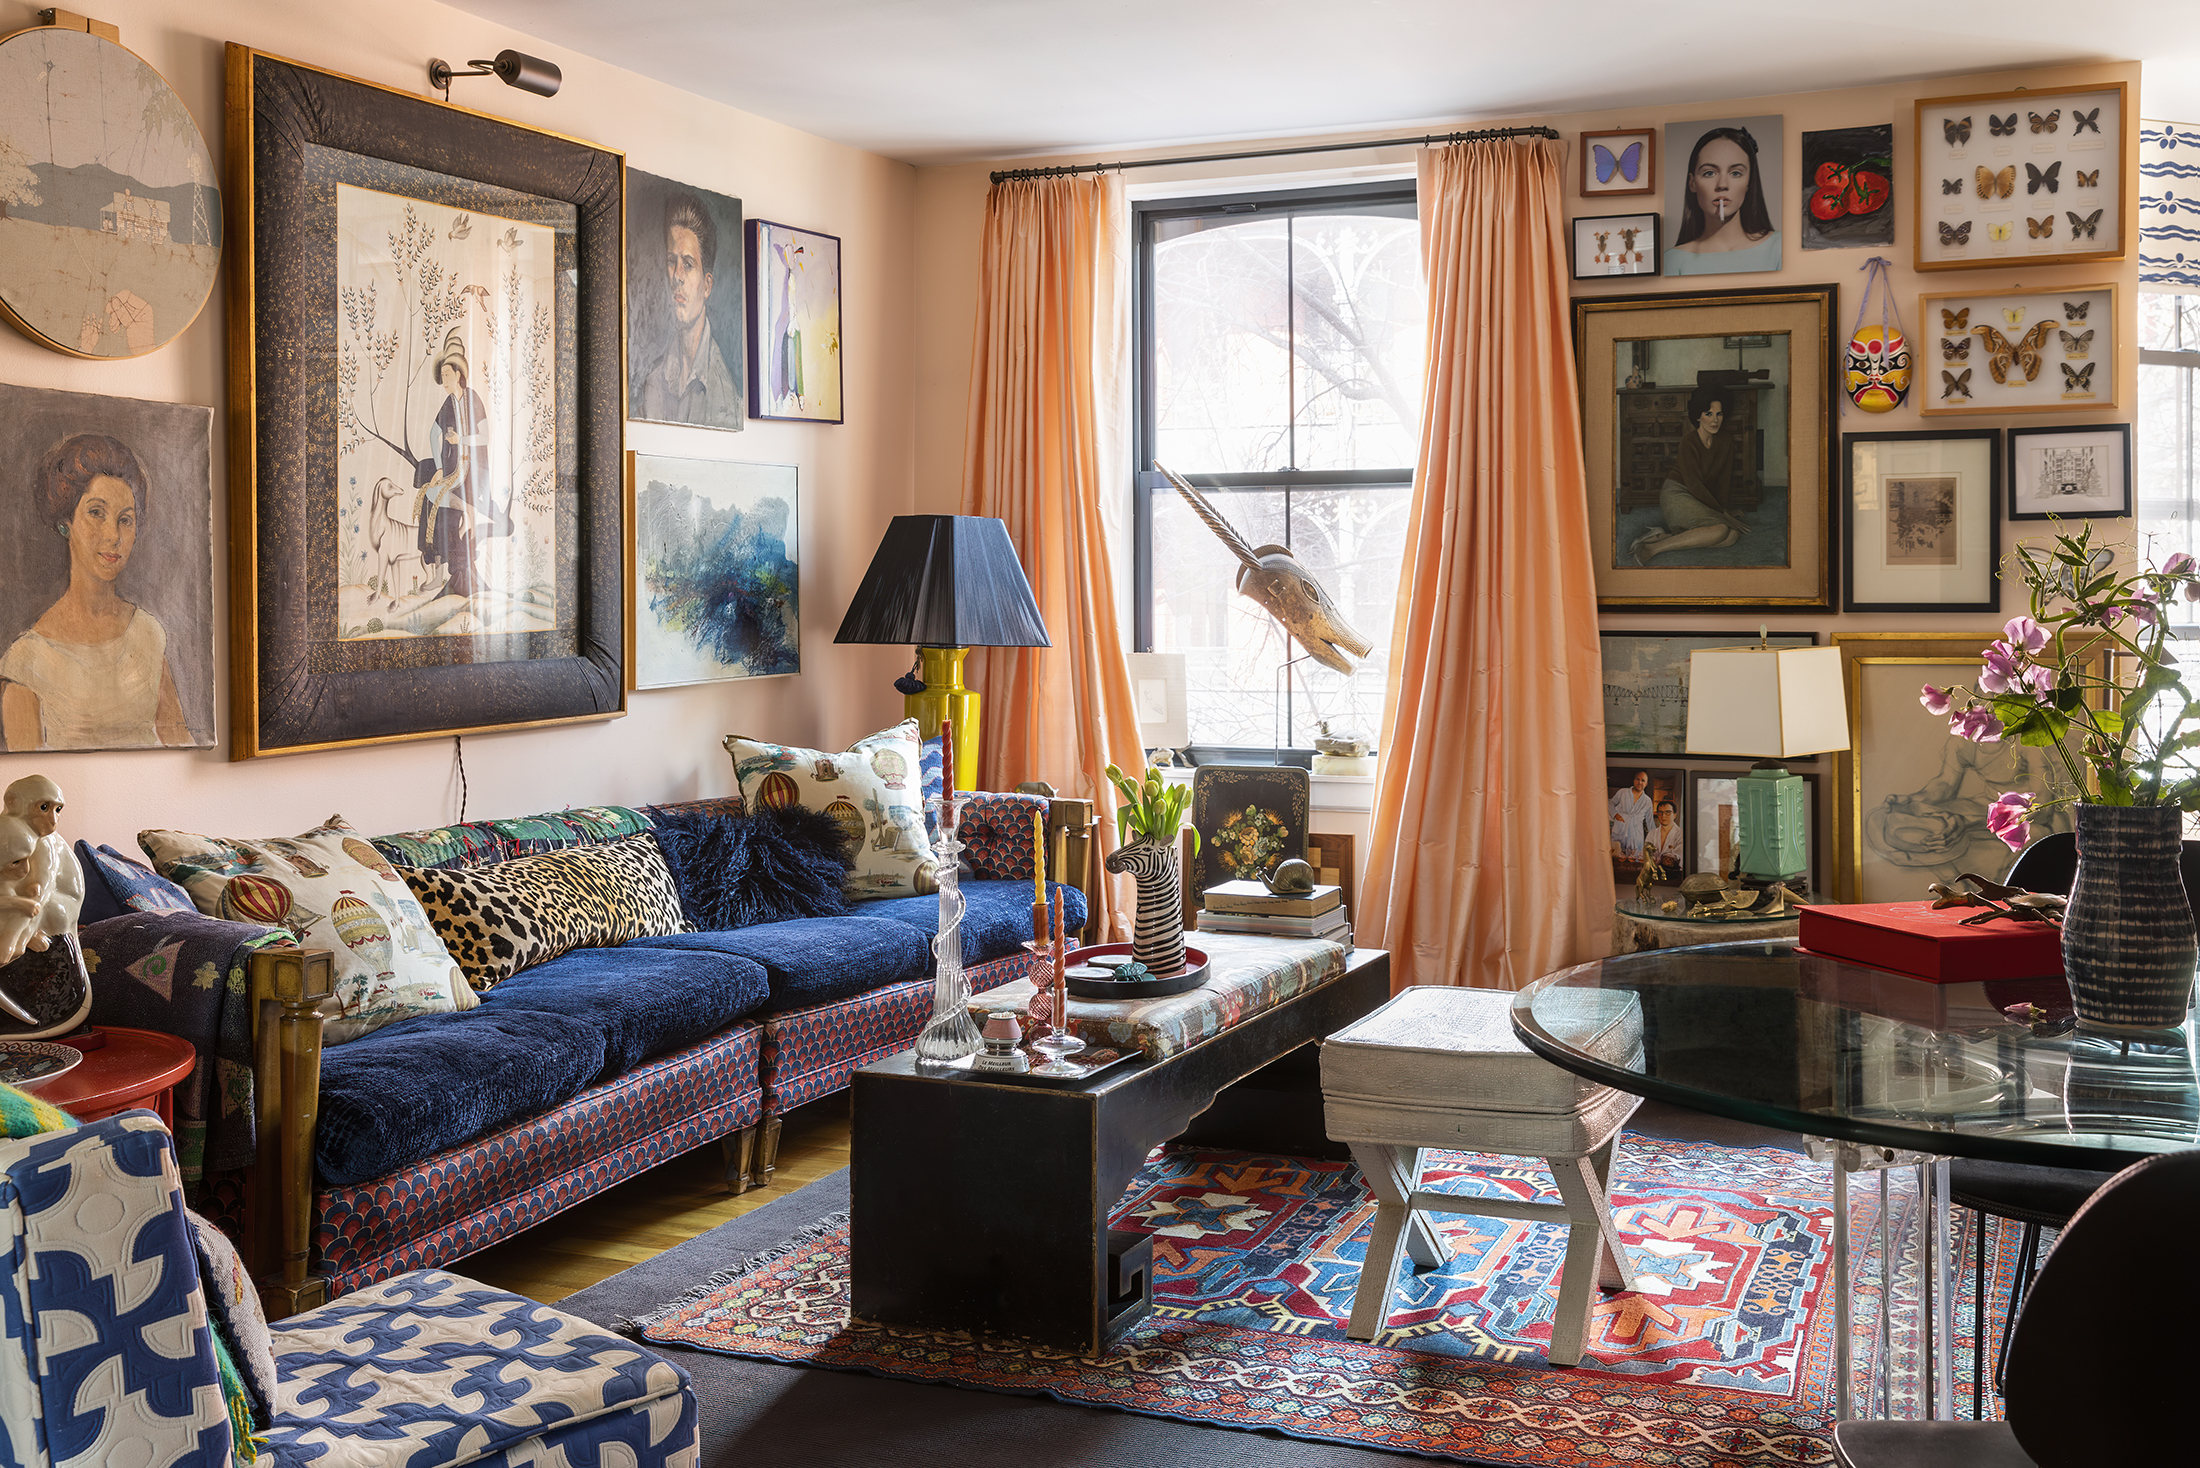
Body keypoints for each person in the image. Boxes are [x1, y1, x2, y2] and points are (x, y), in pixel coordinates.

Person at [1, 434, 190, 750]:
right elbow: (29, 784)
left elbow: (181, 744)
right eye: (96, 513)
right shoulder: (27, 662)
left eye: (125, 520)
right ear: (66, 522)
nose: (113, 535)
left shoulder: (147, 634)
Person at [638, 191, 740, 426]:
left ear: (707, 285)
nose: (677, 276)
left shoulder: (725, 395)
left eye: (688, 264)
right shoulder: (654, 381)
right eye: (672, 262)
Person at [1629, 384, 1751, 564]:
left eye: (1719, 414)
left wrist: (1724, 509)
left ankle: (1661, 537)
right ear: (1698, 416)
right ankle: (1651, 549)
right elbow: (1694, 485)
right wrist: (1721, 513)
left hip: (1699, 496)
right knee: (1721, 531)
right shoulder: (1689, 442)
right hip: (1677, 493)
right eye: (1708, 414)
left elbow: (1723, 480)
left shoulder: (1726, 440)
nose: (1714, 420)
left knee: (1732, 535)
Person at [416, 330, 493, 599]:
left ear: (458, 374)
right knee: (429, 497)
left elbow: (485, 436)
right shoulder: (448, 402)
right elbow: (432, 434)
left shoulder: (472, 398)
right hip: (452, 470)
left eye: (448, 375)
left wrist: (462, 439)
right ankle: (438, 572)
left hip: (474, 470)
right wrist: (438, 466)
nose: (445, 380)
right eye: (443, 376)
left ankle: (468, 511)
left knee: (438, 499)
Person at [1665, 126, 1780, 276]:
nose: (1722, 185)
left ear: (1749, 183)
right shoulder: (1672, 261)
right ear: (1692, 183)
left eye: (1736, 173)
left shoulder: (1778, 248)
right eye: (1709, 173)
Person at [2, 775, 82, 947]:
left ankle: (23, 939)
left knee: (36, 904)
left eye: (58, 809)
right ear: (12, 801)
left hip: (58, 904)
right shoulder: (8, 832)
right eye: (44, 807)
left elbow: (41, 893)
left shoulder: (45, 841)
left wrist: (14, 939)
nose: (53, 821)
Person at [1610, 770, 1654, 861]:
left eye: (1643, 780)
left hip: (1636, 834)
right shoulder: (1623, 792)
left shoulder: (1647, 801)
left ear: (1646, 784)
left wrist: (1654, 839)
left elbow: (1650, 821)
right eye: (1638, 779)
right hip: (1620, 829)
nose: (1640, 782)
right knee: (1615, 858)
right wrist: (1615, 814)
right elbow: (1609, 803)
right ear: (1634, 781)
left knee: (1634, 860)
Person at [1648, 800, 1686, 867]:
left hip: (1672, 873)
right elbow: (1646, 854)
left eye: (1668, 812)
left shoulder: (1681, 835)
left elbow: (1678, 859)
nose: (1663, 816)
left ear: (1674, 815)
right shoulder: (1652, 833)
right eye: (1660, 812)